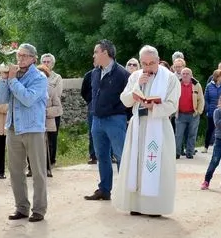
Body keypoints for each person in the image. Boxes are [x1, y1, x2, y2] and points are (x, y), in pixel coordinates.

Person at [114, 45, 181, 216]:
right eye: (144, 63)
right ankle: (136, 205)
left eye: (151, 63)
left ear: (158, 61)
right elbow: (125, 100)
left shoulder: (170, 79)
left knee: (154, 166)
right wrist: (137, 88)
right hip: (138, 126)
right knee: (135, 164)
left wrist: (154, 107)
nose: (147, 67)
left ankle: (153, 207)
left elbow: (173, 105)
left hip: (158, 125)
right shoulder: (136, 76)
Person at [0, 43, 49, 222]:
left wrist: (12, 80)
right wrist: (4, 79)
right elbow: (1, 99)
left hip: (33, 128)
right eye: (19, 55)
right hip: (13, 128)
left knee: (38, 171)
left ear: (34, 59)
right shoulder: (13, 75)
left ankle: (39, 210)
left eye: (25, 56)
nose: (20, 59)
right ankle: (21, 207)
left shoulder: (39, 77)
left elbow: (27, 99)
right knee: (15, 171)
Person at [85, 40, 131, 201]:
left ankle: (127, 191)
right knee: (101, 155)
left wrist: (127, 118)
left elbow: (130, 97)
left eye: (96, 51)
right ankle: (104, 190)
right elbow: (89, 93)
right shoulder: (95, 73)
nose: (94, 55)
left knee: (121, 155)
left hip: (115, 119)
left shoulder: (123, 74)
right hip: (97, 120)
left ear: (105, 53)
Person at [174, 67, 204, 159]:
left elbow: (201, 99)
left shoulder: (196, 85)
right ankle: (177, 153)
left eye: (187, 73)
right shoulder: (176, 84)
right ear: (181, 75)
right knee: (178, 135)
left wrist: (199, 111)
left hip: (193, 114)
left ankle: (189, 153)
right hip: (180, 114)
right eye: (183, 73)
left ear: (191, 75)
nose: (185, 75)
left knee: (192, 134)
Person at [40, 53, 64, 168]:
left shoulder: (57, 78)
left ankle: (52, 160)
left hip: (52, 111)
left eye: (48, 62)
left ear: (52, 64)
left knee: (52, 137)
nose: (46, 64)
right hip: (38, 112)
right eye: (44, 62)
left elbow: (57, 94)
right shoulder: (37, 76)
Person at [203, 69, 221, 152]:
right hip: (211, 111)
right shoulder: (209, 86)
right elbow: (206, 98)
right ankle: (206, 146)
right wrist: (207, 108)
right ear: (217, 77)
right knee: (210, 129)